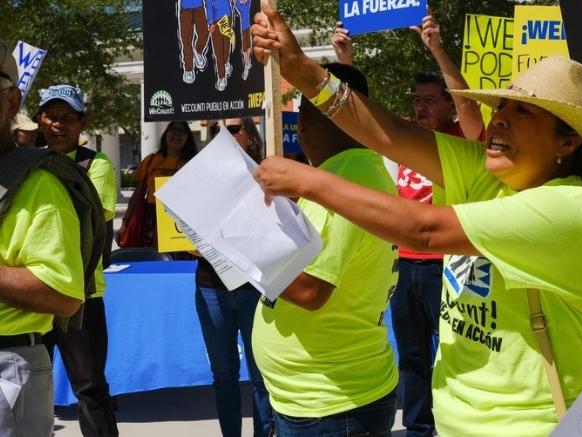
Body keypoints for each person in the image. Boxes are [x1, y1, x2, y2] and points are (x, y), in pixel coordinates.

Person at [251, 6, 582, 434]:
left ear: (569, 140)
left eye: (523, 112)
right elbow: (390, 134)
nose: (500, 117)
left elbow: (424, 229)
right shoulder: (491, 173)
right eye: (502, 104)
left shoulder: (571, 209)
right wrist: (299, 67)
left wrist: (308, 182)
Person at [334, 13, 485, 436]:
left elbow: (470, 105)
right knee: (413, 356)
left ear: (448, 105)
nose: (421, 106)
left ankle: (459, 424)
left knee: (455, 352)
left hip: (450, 268)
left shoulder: (462, 139)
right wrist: (344, 61)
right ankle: (420, 428)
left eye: (431, 99)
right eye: (417, 99)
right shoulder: (404, 144)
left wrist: (435, 47)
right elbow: (359, 122)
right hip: (405, 268)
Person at [250, 63, 400, 436]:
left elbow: (309, 289)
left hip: (333, 404)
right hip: (322, 398)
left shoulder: (348, 182)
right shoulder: (349, 175)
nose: (298, 127)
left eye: (304, 112)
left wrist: (236, 238)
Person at [0, 44, 99, 437]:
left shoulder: (40, 185)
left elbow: (63, 293)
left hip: (10, 362)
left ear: (11, 102)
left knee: (91, 387)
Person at [33, 84, 119, 437]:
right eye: (51, 116)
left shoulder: (96, 164)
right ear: (40, 119)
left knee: (89, 388)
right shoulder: (27, 160)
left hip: (81, 295)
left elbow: (89, 214)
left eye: (67, 118)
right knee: (28, 384)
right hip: (34, 292)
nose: (58, 125)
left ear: (82, 122)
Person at [195, 117, 273, 437]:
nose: (224, 134)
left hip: (251, 286)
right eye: (216, 130)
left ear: (251, 136)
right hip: (211, 286)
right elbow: (181, 229)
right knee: (224, 374)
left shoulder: (266, 174)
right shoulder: (198, 178)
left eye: (234, 128)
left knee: (259, 374)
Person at [120, 121, 198, 247]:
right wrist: (125, 223)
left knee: (178, 264)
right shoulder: (150, 160)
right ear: (165, 134)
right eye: (173, 130)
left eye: (182, 131)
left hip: (182, 223)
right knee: (153, 262)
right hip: (151, 222)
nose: (177, 134)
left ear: (188, 138)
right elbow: (138, 194)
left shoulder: (194, 164)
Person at [178, 0, 208, 84]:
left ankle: (198, 52)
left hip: (199, 7)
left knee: (204, 33)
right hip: (185, 9)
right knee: (186, 41)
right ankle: (188, 69)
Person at [207, 0, 234, 91]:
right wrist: (211, 22)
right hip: (216, 21)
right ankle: (221, 77)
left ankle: (226, 62)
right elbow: (208, 4)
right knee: (218, 52)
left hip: (227, 17)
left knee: (226, 45)